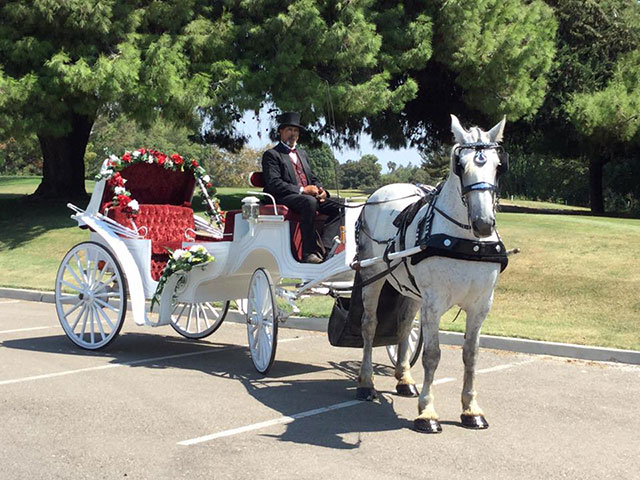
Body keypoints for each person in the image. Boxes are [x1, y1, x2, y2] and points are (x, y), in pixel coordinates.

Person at [261, 112, 342, 264]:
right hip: (284, 196)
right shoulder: (272, 154)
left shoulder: (302, 154)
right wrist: (302, 190)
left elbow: (312, 178)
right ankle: (308, 253)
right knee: (308, 202)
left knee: (340, 206)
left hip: (306, 197)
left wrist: (321, 190)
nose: (293, 134)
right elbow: (274, 183)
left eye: (296, 131)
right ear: (281, 132)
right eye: (290, 130)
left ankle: (327, 247)